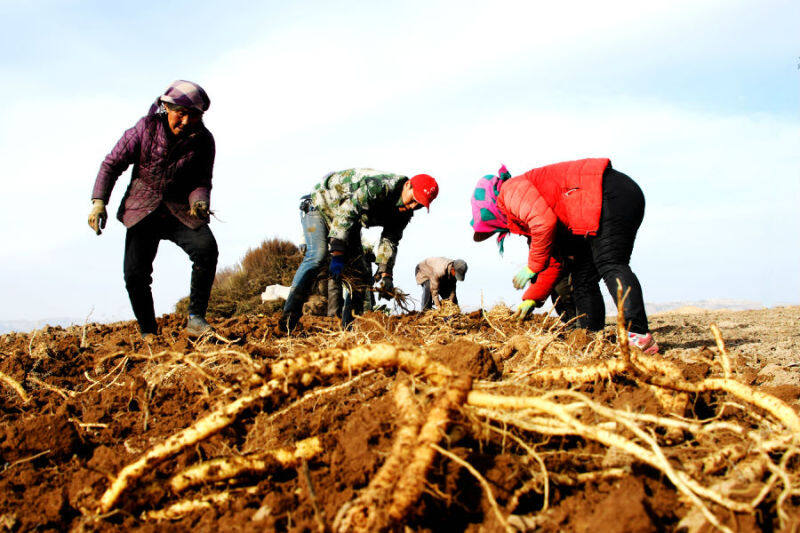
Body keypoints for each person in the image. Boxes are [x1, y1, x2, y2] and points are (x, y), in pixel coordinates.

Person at [470, 160, 658, 354]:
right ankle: (590, 337)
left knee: (610, 262)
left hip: (608, 193)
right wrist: (531, 298)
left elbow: (543, 223)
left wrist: (532, 267)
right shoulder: (522, 217)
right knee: (582, 277)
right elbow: (553, 261)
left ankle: (638, 334)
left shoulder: (509, 191)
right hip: (599, 205)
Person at [88, 80, 218, 339]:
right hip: (143, 208)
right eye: (179, 114)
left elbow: (201, 180)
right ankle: (148, 331)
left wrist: (199, 202)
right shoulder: (145, 128)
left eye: (192, 117)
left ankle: (196, 319)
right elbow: (111, 164)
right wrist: (99, 202)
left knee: (206, 249)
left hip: (178, 210)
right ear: (166, 108)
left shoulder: (203, 141)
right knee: (135, 274)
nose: (184, 122)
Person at [278, 169, 439, 333]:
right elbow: (347, 212)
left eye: (419, 205)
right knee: (317, 256)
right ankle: (288, 319)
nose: (413, 206)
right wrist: (338, 254)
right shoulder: (378, 187)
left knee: (361, 277)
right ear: (407, 186)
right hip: (319, 207)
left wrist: (385, 274)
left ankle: (348, 330)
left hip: (349, 222)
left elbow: (390, 239)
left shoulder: (405, 212)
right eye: (414, 199)